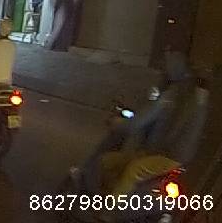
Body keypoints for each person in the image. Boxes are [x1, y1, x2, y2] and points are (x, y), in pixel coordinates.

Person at [83, 51, 210, 196]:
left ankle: (113, 208)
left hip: (169, 155)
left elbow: (140, 120)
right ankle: (106, 195)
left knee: (134, 170)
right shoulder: (193, 97)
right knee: (109, 162)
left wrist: (118, 123)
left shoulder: (176, 95)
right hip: (162, 151)